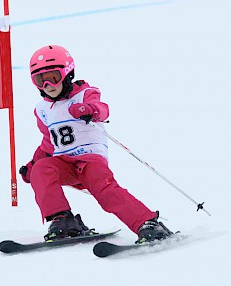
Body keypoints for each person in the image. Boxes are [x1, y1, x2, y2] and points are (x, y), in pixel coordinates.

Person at [19, 45, 172, 244]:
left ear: (67, 73)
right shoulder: (42, 110)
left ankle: (148, 224)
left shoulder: (85, 93)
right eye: (40, 80)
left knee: (106, 192)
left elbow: (103, 110)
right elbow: (49, 143)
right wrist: (33, 164)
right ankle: (63, 220)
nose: (48, 84)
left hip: (90, 163)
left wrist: (90, 109)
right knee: (42, 169)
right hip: (64, 164)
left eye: (54, 77)